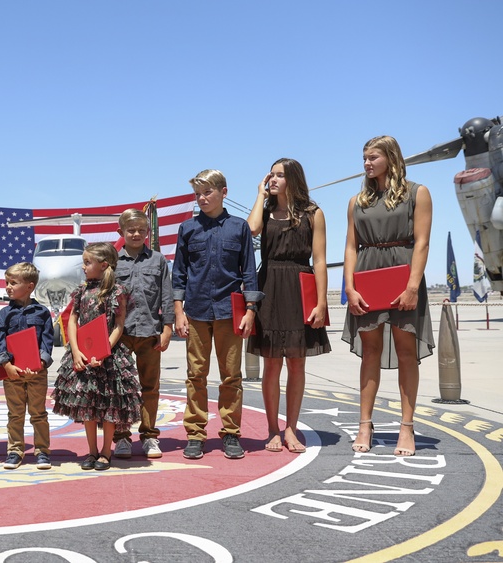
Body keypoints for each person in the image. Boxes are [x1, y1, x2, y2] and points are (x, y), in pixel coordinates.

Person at [342, 135, 433, 457]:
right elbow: (351, 247)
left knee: (407, 350)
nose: (366, 163)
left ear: (391, 158)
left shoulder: (417, 193)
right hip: (367, 275)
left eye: (373, 158)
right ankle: (365, 423)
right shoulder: (357, 201)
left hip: (403, 274)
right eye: (364, 158)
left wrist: (412, 285)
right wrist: (350, 288)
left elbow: (421, 243)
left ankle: (406, 427)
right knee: (370, 352)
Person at [172, 169, 262, 460]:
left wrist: (250, 310)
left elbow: (249, 271)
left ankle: (231, 434)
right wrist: (178, 312)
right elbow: (179, 274)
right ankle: (196, 434)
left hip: (229, 311)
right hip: (196, 312)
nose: (202, 198)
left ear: (224, 192)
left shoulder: (239, 228)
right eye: (198, 194)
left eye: (207, 192)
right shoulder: (188, 229)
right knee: (195, 375)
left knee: (231, 377)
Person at [246, 158, 331, 454]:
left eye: (279, 175)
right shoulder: (266, 211)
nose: (273, 179)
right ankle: (272, 429)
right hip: (268, 285)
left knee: (297, 363)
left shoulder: (313, 213)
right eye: (271, 175)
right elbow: (251, 231)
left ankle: (291, 428)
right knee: (271, 364)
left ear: (293, 179)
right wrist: (260, 194)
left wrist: (321, 302)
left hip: (299, 286)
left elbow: (319, 260)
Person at [51, 242, 141, 471]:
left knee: (109, 405)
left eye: (87, 262)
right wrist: (75, 350)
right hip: (81, 355)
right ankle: (91, 451)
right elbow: (72, 320)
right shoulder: (81, 291)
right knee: (88, 406)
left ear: (103, 265)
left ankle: (105, 452)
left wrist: (103, 351)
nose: (83, 267)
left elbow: (119, 326)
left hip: (108, 357)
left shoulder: (117, 292)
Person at [112, 208, 174, 460]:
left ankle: (149, 436)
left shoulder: (158, 260)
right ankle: (122, 437)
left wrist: (167, 328)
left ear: (148, 232)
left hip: (150, 332)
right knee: (121, 388)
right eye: (131, 230)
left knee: (150, 387)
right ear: (121, 232)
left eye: (141, 230)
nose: (136, 234)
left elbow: (167, 296)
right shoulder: (113, 261)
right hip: (120, 334)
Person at [0, 262, 55, 470]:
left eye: (13, 283)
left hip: (36, 372)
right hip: (12, 373)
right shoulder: (4, 314)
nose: (8, 286)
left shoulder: (42, 312)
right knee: (15, 414)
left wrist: (41, 362)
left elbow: (47, 340)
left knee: (38, 413)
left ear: (29, 286)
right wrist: (6, 364)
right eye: (6, 282)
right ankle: (15, 451)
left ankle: (42, 451)